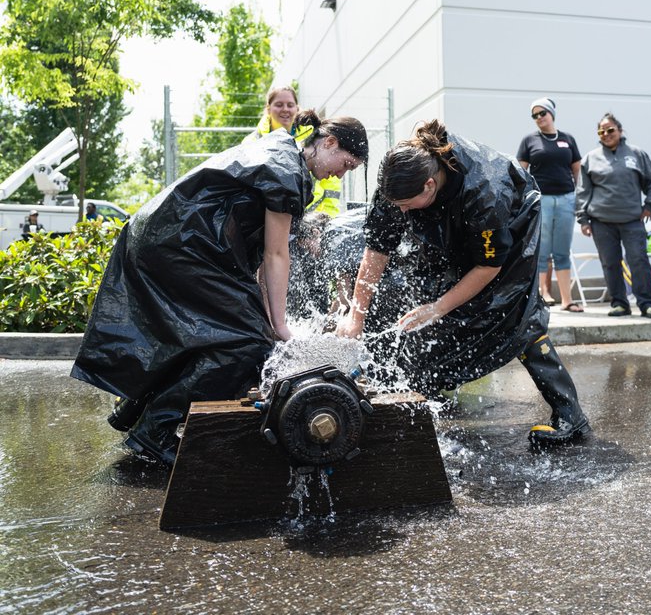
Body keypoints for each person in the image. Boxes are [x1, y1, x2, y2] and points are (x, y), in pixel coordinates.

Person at [72, 111, 369, 465]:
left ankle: (134, 409)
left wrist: (267, 320)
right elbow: (276, 256)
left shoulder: (282, 153)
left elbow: (262, 260)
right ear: (329, 142)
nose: (341, 174)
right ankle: (155, 431)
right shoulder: (286, 172)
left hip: (168, 239)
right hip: (182, 245)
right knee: (247, 346)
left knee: (230, 333)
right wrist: (277, 327)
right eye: (346, 164)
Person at [336, 121, 590, 446]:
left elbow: (487, 266)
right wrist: (356, 317)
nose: (399, 211)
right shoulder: (398, 181)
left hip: (511, 224)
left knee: (513, 315)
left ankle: (570, 416)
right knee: (418, 295)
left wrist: (438, 308)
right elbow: (377, 248)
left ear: (429, 185)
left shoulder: (486, 193)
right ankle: (423, 391)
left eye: (405, 205)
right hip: (448, 219)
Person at [577, 113, 651, 318]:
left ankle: (647, 304)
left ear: (620, 130)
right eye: (601, 131)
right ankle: (619, 303)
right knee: (610, 263)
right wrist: (583, 219)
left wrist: (650, 205)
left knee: (638, 260)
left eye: (610, 130)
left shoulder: (637, 154)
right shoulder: (590, 158)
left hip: (632, 220)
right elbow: (583, 191)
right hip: (601, 222)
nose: (606, 134)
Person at [516, 97, 584, 312]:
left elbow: (577, 169)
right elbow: (520, 172)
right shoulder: (529, 140)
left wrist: (578, 195)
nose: (538, 118)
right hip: (542, 199)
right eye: (534, 115)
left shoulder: (567, 139)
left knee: (562, 250)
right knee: (542, 250)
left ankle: (567, 300)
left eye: (542, 113)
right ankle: (541, 296)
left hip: (566, 199)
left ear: (551, 114)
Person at [244, 85, 344, 217]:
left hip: (312, 216)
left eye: (290, 105)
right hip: (268, 216)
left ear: (297, 108)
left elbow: (331, 182)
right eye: (279, 105)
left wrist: (328, 216)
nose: (285, 109)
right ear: (268, 109)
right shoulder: (252, 142)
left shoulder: (313, 137)